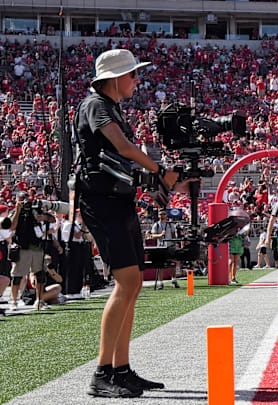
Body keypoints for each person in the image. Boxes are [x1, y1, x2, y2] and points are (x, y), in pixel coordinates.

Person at [74, 49, 186, 398]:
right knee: (125, 282)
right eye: (133, 75)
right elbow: (122, 147)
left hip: (116, 200)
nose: (137, 80)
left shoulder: (111, 108)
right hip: (100, 202)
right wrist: (159, 172)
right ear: (114, 78)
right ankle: (102, 372)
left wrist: (150, 184)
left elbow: (118, 157)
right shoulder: (96, 105)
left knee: (134, 282)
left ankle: (120, 370)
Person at [8, 191, 56, 311]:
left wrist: (44, 217)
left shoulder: (35, 209)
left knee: (40, 275)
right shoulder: (14, 212)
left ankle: (39, 301)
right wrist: (18, 209)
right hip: (22, 247)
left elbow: (53, 220)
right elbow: (12, 226)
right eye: (21, 199)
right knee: (17, 275)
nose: (25, 202)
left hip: (37, 247)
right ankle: (14, 301)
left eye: (26, 199)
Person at [149, 209, 180, 289]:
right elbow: (153, 236)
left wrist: (174, 244)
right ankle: (161, 283)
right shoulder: (156, 225)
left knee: (172, 263)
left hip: (170, 246)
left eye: (163, 214)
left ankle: (174, 280)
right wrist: (160, 235)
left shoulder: (170, 225)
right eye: (160, 214)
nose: (162, 216)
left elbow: (174, 235)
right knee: (160, 265)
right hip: (160, 246)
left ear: (166, 215)